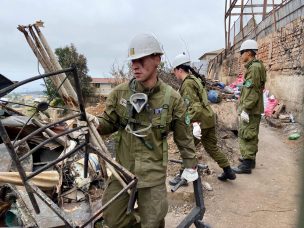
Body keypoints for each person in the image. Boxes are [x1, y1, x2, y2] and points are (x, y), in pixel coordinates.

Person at [94, 33, 198, 228]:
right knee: (112, 218)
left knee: (153, 221)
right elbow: (109, 122)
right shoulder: (120, 93)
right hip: (123, 171)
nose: (135, 65)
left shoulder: (172, 98)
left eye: (141, 59)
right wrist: (94, 123)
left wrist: (190, 164)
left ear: (157, 59)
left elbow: (183, 137)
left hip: (153, 173)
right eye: (133, 61)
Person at [169, 53, 236, 185]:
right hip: (209, 118)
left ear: (179, 69)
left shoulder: (187, 84)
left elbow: (194, 107)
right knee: (211, 147)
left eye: (174, 71)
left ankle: (183, 176)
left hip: (199, 121)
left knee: (187, 148)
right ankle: (228, 171)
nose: (174, 74)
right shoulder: (195, 79)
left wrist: (194, 124)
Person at [232, 39, 267, 174]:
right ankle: (249, 160)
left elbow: (252, 92)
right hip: (252, 108)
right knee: (249, 132)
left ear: (249, 53)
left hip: (251, 109)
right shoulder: (255, 67)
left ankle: (247, 164)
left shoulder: (254, 68)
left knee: (248, 134)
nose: (241, 56)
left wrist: (246, 108)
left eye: (242, 53)